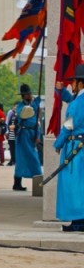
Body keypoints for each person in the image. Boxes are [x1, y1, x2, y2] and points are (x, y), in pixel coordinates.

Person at [53, 66, 84, 232]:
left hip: (75, 149)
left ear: (80, 83)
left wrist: (58, 143)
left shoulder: (78, 103)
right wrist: (61, 91)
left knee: (74, 185)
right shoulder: (78, 100)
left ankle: (78, 221)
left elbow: (68, 125)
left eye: (74, 81)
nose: (72, 84)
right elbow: (71, 101)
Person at [13, 83, 42, 191]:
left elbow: (36, 122)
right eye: (27, 94)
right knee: (21, 159)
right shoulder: (21, 107)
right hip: (23, 134)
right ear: (23, 95)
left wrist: (37, 135)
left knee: (34, 158)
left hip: (31, 134)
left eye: (29, 93)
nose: (29, 95)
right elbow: (26, 113)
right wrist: (35, 104)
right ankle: (17, 183)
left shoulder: (34, 106)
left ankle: (39, 181)